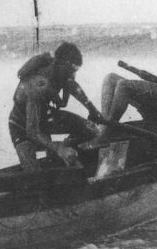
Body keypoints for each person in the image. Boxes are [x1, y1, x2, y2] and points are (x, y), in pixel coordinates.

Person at [9, 42, 103, 170]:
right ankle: (59, 151)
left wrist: (92, 109)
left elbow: (73, 86)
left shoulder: (61, 71)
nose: (72, 75)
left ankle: (65, 148)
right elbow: (32, 131)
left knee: (92, 129)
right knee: (33, 174)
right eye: (71, 71)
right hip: (21, 126)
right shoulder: (37, 85)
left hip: (44, 117)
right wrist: (58, 148)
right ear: (60, 65)